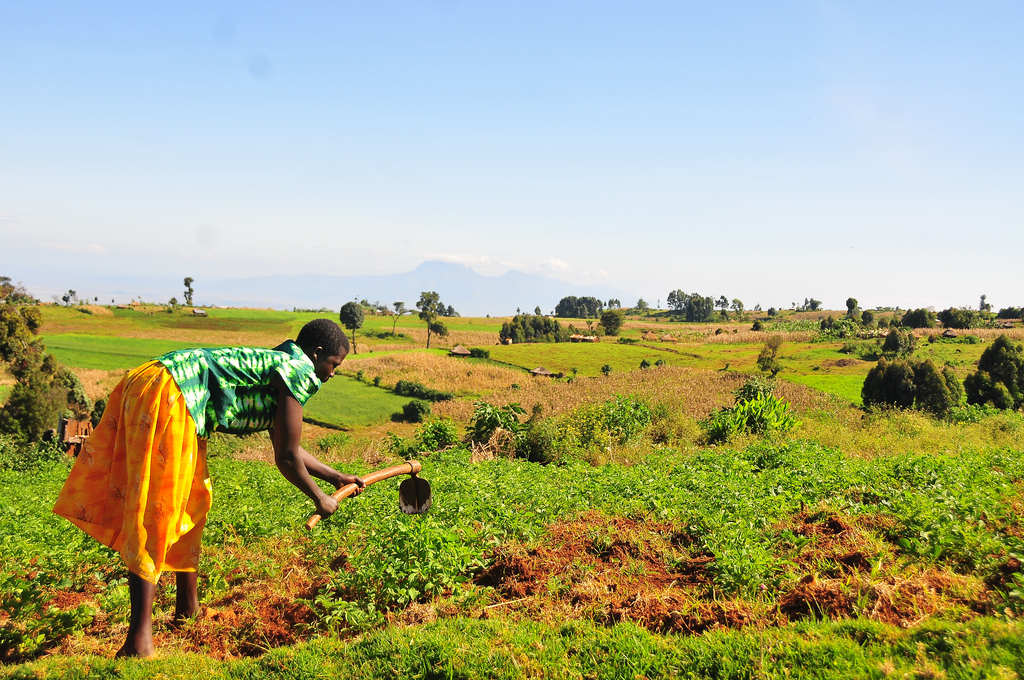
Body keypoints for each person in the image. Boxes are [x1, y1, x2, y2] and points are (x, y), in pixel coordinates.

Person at [53, 318, 364, 658]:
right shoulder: (299, 371)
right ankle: (137, 641)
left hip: (163, 385)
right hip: (172, 395)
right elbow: (287, 457)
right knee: (157, 510)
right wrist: (319, 498)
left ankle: (188, 609)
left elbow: (286, 443)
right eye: (334, 365)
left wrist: (334, 477)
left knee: (191, 500)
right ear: (316, 354)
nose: (332, 374)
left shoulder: (281, 364)